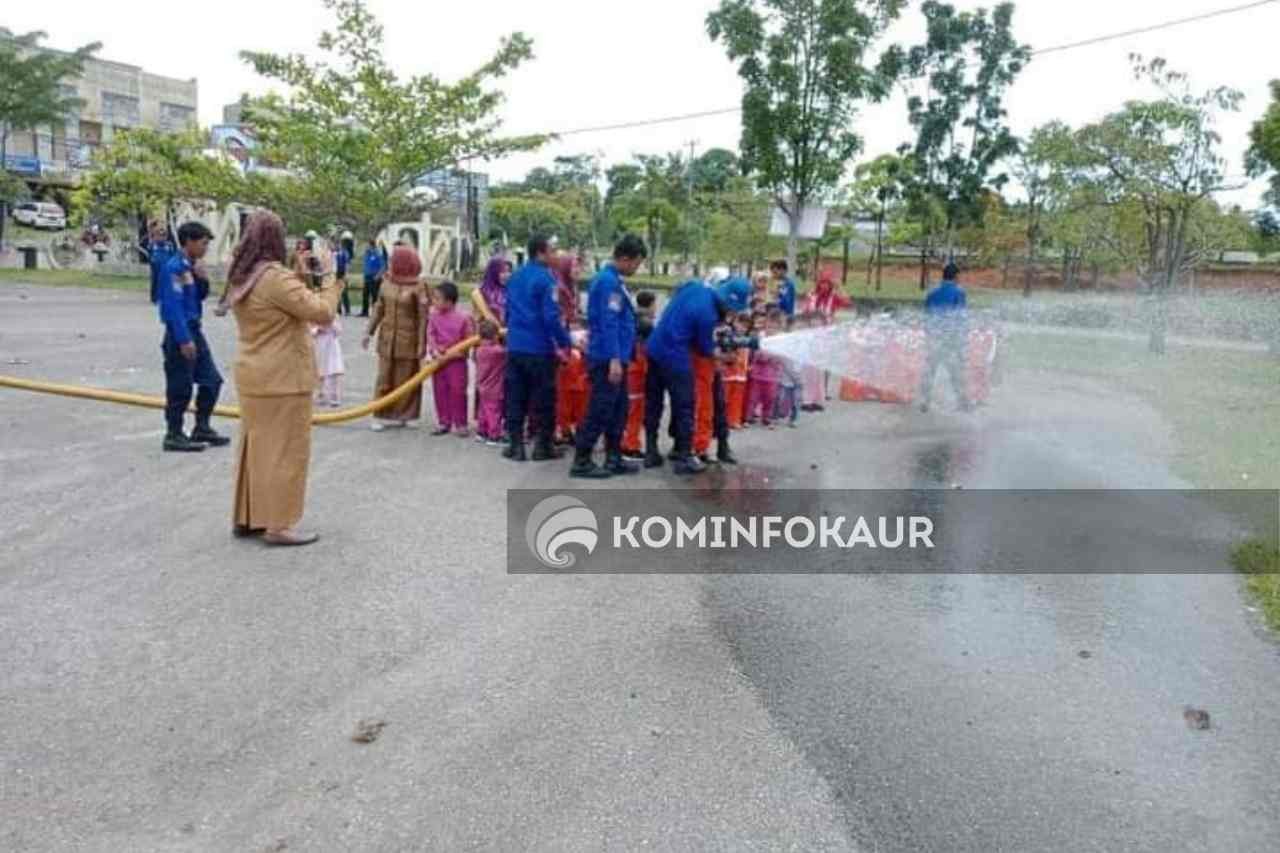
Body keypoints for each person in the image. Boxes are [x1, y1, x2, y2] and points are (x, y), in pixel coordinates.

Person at [224, 210, 344, 547]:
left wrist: (301, 277)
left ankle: (248, 516)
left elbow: (288, 306)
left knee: (256, 448)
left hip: (254, 372)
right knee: (286, 451)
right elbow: (321, 312)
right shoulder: (275, 277)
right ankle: (278, 524)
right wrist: (331, 279)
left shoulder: (243, 273)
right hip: (283, 377)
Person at [570, 234, 648, 479]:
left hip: (618, 355)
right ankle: (582, 460)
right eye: (636, 263)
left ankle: (614, 456)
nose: (637, 268)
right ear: (625, 259)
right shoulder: (608, 283)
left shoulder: (615, 280)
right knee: (600, 409)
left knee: (618, 409)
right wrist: (614, 358)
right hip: (607, 357)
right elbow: (608, 322)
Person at [644, 280, 731, 475]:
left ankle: (651, 451)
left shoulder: (694, 287)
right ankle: (683, 457)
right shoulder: (707, 315)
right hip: (675, 356)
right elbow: (704, 347)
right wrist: (720, 354)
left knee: (653, 403)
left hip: (654, 347)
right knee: (685, 405)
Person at [157, 221, 227, 453]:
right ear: (188, 241)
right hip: (181, 332)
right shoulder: (174, 268)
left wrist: (203, 279)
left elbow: (199, 297)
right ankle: (174, 434)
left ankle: (202, 426)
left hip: (195, 330)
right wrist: (184, 339)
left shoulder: (191, 267)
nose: (206, 248)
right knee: (180, 386)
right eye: (203, 243)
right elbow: (172, 307)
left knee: (212, 381)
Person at [503, 234, 571, 462]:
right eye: (552, 251)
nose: (555, 255)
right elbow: (551, 317)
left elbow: (508, 312)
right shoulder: (546, 280)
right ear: (541, 253)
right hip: (538, 349)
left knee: (515, 397)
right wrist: (565, 342)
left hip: (515, 346)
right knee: (544, 399)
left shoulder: (515, 277)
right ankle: (543, 447)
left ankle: (515, 446)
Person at [363, 245, 431, 431]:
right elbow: (379, 308)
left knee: (406, 379)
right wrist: (368, 332)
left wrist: (421, 345)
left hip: (408, 340)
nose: (391, 263)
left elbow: (424, 318)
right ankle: (379, 413)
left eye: (394, 260)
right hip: (387, 339)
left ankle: (407, 415)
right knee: (384, 378)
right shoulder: (386, 282)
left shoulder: (419, 286)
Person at [919, 261, 973, 413]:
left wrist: (928, 335)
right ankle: (962, 402)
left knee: (930, 370)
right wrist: (961, 342)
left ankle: (924, 402)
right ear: (956, 276)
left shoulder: (931, 293)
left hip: (934, 337)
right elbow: (960, 318)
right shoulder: (959, 292)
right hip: (950, 338)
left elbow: (927, 316)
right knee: (955, 371)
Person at [426, 281, 473, 437]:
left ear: (449, 301)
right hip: (438, 361)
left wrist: (455, 353)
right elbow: (430, 334)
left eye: (438, 298)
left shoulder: (464, 317)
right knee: (440, 390)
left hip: (457, 362)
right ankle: (443, 422)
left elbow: (469, 340)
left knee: (458, 391)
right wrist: (434, 350)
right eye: (434, 298)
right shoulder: (433, 315)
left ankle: (460, 424)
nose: (434, 301)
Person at [620, 317, 652, 459]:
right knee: (634, 419)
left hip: (627, 388)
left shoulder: (627, 346)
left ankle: (619, 443)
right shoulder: (641, 350)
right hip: (637, 390)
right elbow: (646, 369)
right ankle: (630, 446)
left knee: (623, 416)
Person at [747, 313, 784, 428]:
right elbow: (755, 354)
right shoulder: (760, 339)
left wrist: (772, 358)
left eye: (773, 328)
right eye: (768, 327)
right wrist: (763, 357)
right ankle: (748, 416)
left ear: (778, 329)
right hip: (757, 375)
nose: (770, 330)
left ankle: (766, 417)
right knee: (753, 397)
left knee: (770, 397)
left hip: (772, 376)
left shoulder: (780, 341)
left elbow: (781, 358)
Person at [473, 320, 506, 446]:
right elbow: (507, 353)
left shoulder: (479, 350)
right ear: (495, 336)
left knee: (483, 410)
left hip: (482, 386)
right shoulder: (497, 351)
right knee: (494, 412)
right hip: (494, 388)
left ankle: (481, 432)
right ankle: (494, 435)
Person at [556, 327, 589, 446]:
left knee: (573, 413)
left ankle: (569, 433)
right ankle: (567, 433)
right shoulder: (569, 355)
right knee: (568, 413)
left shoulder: (578, 354)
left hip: (576, 389)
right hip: (572, 389)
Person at [724, 315, 751, 430]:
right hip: (728, 374)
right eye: (741, 324)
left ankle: (734, 420)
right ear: (735, 323)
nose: (742, 328)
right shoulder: (728, 338)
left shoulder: (748, 340)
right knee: (725, 398)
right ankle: (723, 420)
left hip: (741, 375)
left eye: (745, 326)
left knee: (737, 399)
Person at [311, 314, 344, 408]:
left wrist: (332, 324)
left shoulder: (334, 316)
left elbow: (339, 331)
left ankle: (335, 396)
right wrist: (318, 329)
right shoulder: (314, 315)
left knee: (334, 371)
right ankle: (320, 394)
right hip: (320, 347)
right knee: (320, 371)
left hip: (332, 349)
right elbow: (309, 331)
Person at [473, 255, 512, 328]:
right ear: (493, 272)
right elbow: (488, 315)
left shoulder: (510, 291)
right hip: (487, 335)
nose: (507, 275)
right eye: (503, 272)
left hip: (507, 334)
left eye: (509, 271)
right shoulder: (478, 293)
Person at [146, 220, 175, 305]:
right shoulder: (152, 245)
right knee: (155, 281)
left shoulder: (169, 245)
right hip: (156, 266)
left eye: (163, 236)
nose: (161, 238)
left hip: (167, 266)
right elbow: (149, 255)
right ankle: (155, 298)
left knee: (167, 282)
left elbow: (172, 254)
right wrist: (152, 261)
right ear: (155, 236)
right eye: (159, 236)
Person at [360, 238, 384, 317]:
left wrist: (378, 275)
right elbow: (365, 266)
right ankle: (364, 312)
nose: (365, 247)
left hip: (375, 277)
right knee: (365, 295)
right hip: (367, 277)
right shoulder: (366, 254)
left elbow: (383, 266)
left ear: (371, 245)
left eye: (367, 245)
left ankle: (375, 313)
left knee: (374, 296)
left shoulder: (377, 253)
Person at [771, 259, 797, 326]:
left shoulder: (789, 284)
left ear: (785, 270)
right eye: (774, 271)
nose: (778, 272)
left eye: (780, 270)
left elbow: (790, 300)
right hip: (773, 313)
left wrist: (790, 314)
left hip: (785, 314)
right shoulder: (771, 282)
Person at [334, 234, 353, 316]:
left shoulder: (345, 252)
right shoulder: (335, 253)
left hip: (342, 272)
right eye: (336, 244)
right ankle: (338, 309)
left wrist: (346, 274)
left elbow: (347, 264)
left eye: (338, 244)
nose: (336, 245)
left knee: (344, 292)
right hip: (336, 272)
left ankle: (347, 310)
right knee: (336, 292)